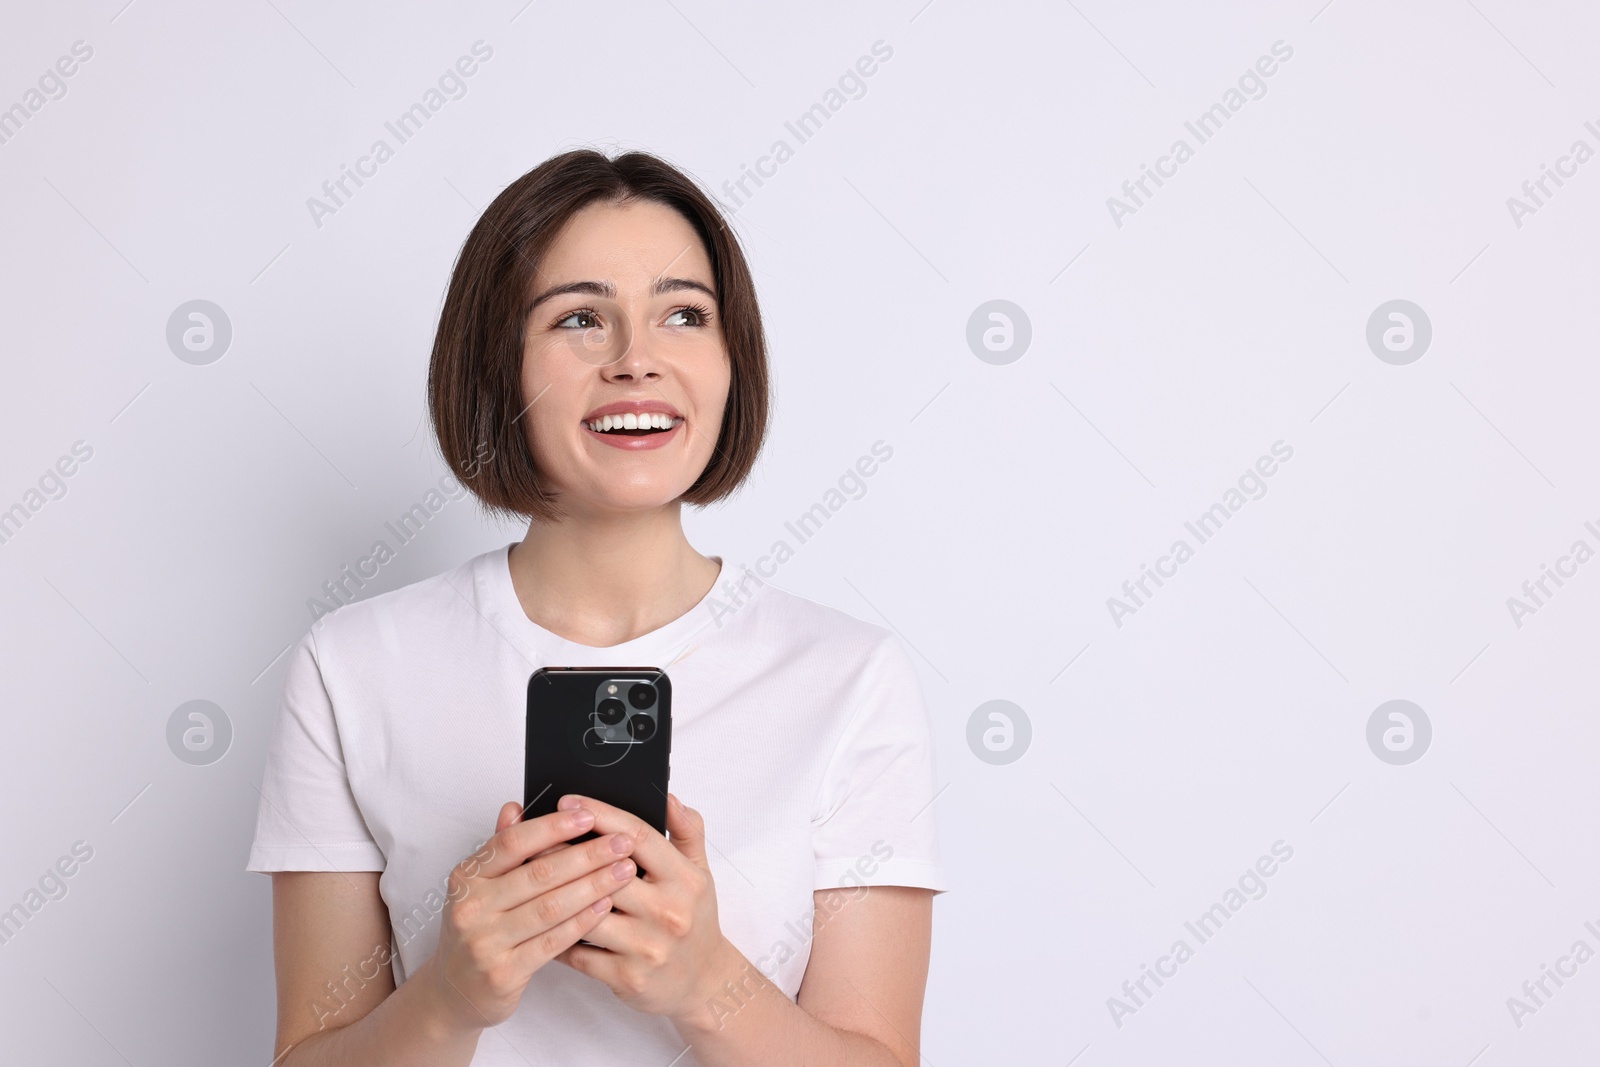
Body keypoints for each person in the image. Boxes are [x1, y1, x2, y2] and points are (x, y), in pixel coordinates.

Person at [247, 148, 946, 1066]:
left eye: (683, 314)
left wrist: (707, 984)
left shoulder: (848, 676)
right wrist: (453, 995)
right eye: (580, 317)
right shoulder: (353, 665)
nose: (636, 359)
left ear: (732, 361)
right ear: (498, 363)